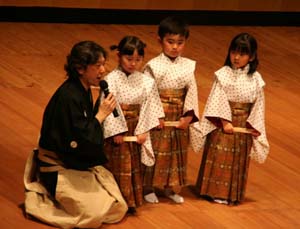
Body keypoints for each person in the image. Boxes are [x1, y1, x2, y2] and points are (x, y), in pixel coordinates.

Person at [23, 40, 128, 229]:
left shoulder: (84, 90)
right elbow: (80, 138)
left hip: (74, 160)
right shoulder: (68, 96)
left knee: (117, 207)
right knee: (93, 216)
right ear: (80, 68)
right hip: (58, 165)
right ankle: (41, 198)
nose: (103, 70)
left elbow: (84, 134)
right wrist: (101, 115)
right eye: (98, 66)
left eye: (104, 64)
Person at [195, 33, 270, 205]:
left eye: (242, 54)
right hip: (223, 123)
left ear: (251, 57)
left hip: (243, 125)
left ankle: (232, 194)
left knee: (237, 159)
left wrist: (252, 126)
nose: (236, 57)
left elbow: (258, 106)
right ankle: (211, 191)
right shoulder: (223, 74)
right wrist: (225, 121)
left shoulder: (256, 79)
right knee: (219, 156)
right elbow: (217, 99)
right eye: (234, 52)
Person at [142, 16, 201, 204]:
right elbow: (149, 92)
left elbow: (191, 91)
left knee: (176, 154)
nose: (175, 47)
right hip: (159, 116)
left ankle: (169, 187)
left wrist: (188, 116)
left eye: (180, 42)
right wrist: (156, 115)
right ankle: (148, 187)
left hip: (178, 115)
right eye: (170, 42)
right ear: (160, 41)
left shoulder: (188, 65)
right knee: (156, 151)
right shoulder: (153, 66)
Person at [102, 36, 164, 214]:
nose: (133, 64)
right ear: (119, 56)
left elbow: (149, 105)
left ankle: (131, 201)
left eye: (138, 60)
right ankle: (115, 201)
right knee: (118, 166)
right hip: (118, 129)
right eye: (129, 59)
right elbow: (109, 106)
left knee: (135, 166)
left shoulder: (146, 81)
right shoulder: (111, 79)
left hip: (137, 126)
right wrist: (116, 131)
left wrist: (144, 130)